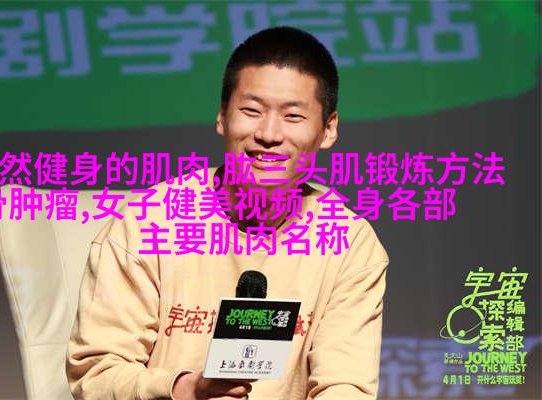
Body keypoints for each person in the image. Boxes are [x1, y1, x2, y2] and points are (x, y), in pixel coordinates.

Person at [67, 26, 389, 400]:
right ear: (222, 116)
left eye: (293, 116)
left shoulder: (349, 244)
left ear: (328, 130)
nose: (269, 134)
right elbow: (96, 374)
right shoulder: (148, 222)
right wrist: (185, 388)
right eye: (251, 111)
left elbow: (345, 386)